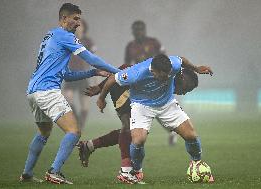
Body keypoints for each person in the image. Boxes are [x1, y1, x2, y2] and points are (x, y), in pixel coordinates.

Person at [20, 3, 120, 184]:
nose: (78, 23)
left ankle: (27, 173)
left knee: (44, 132)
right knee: (74, 131)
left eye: (79, 19)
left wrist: (93, 73)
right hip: (47, 91)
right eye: (75, 19)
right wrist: (118, 72)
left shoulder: (50, 36)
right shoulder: (64, 35)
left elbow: (66, 74)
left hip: (33, 91)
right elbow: (90, 58)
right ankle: (54, 172)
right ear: (64, 18)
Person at [96, 54, 214, 184]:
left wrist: (196, 68)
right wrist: (101, 98)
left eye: (168, 74)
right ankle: (136, 171)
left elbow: (181, 59)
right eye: (163, 76)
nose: (167, 78)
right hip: (142, 105)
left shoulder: (172, 64)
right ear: (153, 71)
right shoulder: (137, 72)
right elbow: (113, 79)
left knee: (191, 135)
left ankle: (197, 163)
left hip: (166, 103)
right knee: (138, 141)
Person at [78, 66, 199, 184]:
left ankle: (89, 145)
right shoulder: (159, 67)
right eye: (186, 88)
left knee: (136, 132)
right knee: (129, 125)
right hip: (122, 88)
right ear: (182, 78)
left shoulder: (168, 82)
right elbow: (125, 68)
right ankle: (125, 170)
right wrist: (100, 88)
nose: (184, 93)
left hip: (137, 94)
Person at [125, 20, 177, 145]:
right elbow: (126, 65)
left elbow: (165, 59)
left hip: (157, 80)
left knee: (157, 108)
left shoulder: (154, 43)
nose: (138, 32)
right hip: (140, 82)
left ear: (144, 30)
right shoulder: (130, 46)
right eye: (135, 30)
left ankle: (171, 130)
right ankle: (135, 135)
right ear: (132, 32)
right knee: (143, 109)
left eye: (140, 29)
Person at [63, 20, 97, 130]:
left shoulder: (88, 42)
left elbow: (95, 60)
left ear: (84, 28)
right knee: (67, 96)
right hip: (71, 74)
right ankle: (76, 120)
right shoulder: (69, 40)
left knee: (84, 104)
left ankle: (80, 126)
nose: (77, 27)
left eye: (79, 25)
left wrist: (96, 79)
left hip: (83, 75)